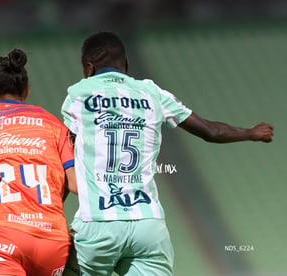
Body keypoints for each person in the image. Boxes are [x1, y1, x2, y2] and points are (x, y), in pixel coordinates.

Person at [61, 31, 273, 276]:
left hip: (97, 224)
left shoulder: (77, 95)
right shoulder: (152, 93)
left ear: (88, 68)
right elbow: (209, 131)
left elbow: (66, 157)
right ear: (126, 65)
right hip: (148, 226)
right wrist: (250, 132)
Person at [0, 48, 77, 276]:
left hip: (0, 241)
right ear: (26, 91)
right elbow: (73, 184)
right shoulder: (55, 125)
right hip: (52, 243)